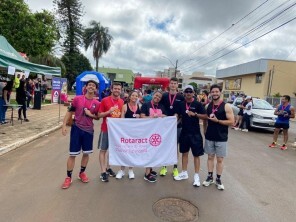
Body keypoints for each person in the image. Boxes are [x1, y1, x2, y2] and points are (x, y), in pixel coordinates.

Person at [61, 80, 100, 189]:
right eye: (89, 85)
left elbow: (98, 117)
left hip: (88, 131)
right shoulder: (78, 99)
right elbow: (69, 111)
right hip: (76, 129)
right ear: (86, 87)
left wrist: (90, 114)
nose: (91, 87)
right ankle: (68, 177)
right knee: (72, 154)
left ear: (96, 89)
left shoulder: (97, 103)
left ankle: (81, 173)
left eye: (93, 86)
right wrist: (64, 125)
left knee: (86, 153)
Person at [174, 85, 207, 187]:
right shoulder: (181, 104)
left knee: (196, 155)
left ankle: (196, 176)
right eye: (186, 91)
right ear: (184, 93)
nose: (188, 93)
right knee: (184, 153)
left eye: (190, 91)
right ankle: (184, 172)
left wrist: (195, 114)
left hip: (195, 133)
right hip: (184, 132)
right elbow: (178, 115)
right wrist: (174, 119)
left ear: (193, 93)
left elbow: (205, 116)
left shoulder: (197, 104)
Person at [202, 84, 234, 190]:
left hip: (221, 136)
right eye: (213, 91)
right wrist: (204, 130)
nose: (215, 93)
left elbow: (232, 122)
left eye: (217, 91)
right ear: (210, 93)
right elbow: (205, 119)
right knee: (210, 157)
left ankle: (218, 179)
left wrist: (218, 121)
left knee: (220, 159)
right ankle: (209, 177)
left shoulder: (226, 106)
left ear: (220, 92)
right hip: (210, 135)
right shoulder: (208, 106)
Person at [98, 82, 124, 182]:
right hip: (106, 129)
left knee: (112, 151)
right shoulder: (105, 100)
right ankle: (103, 172)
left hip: (116, 132)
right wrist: (109, 112)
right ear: (111, 89)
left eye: (119, 89)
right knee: (103, 150)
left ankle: (108, 168)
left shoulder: (122, 101)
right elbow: (99, 115)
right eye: (115, 88)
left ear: (121, 91)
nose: (117, 90)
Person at [159, 77, 184, 177]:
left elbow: (183, 110)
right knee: (165, 146)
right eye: (171, 83)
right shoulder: (164, 96)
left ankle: (175, 168)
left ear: (177, 85)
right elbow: (160, 108)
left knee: (175, 147)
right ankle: (164, 167)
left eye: (175, 83)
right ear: (169, 85)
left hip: (177, 125)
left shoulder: (181, 97)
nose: (173, 85)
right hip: (165, 126)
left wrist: (178, 116)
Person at [140, 91, 167, 182]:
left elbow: (165, 116)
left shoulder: (161, 106)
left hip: (157, 133)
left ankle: (150, 169)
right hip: (147, 132)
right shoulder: (146, 105)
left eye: (159, 97)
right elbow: (142, 116)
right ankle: (147, 174)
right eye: (156, 95)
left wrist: (160, 115)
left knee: (154, 152)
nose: (157, 97)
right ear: (153, 95)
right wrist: (151, 117)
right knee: (149, 152)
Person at [115, 90, 141, 179]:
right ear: (129, 97)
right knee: (124, 151)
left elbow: (141, 120)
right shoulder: (124, 106)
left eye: (136, 96)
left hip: (135, 133)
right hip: (126, 134)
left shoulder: (139, 106)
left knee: (132, 152)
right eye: (133, 95)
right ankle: (121, 170)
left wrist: (139, 117)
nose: (134, 97)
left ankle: (130, 170)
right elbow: (121, 120)